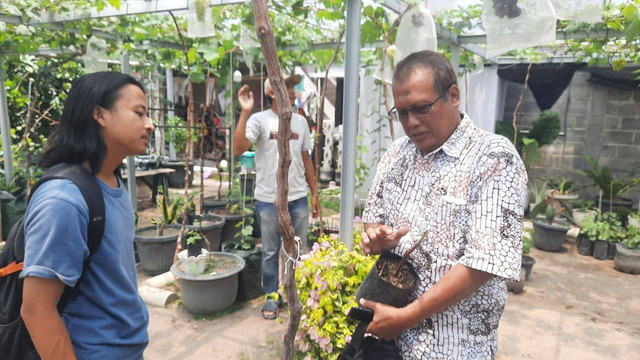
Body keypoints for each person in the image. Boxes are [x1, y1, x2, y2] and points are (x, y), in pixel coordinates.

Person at [359, 50, 528, 359]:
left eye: (422, 108)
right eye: (402, 112)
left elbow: (483, 264)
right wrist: (375, 236)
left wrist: (408, 316)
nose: (411, 122)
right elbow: (373, 218)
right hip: (386, 332)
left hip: (452, 345)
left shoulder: (493, 158)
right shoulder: (397, 154)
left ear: (453, 96)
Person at [20, 72, 153, 359]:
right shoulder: (63, 201)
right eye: (138, 113)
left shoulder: (112, 181)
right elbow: (36, 310)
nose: (149, 124)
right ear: (100, 115)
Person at [233, 73, 320, 320]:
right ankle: (272, 294)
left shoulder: (301, 122)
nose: (292, 91)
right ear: (272, 92)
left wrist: (314, 193)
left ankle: (295, 292)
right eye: (286, 86)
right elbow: (239, 149)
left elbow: (306, 158)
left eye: (293, 86)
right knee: (271, 251)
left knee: (298, 250)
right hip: (268, 199)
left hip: (298, 198)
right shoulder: (260, 120)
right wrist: (244, 112)